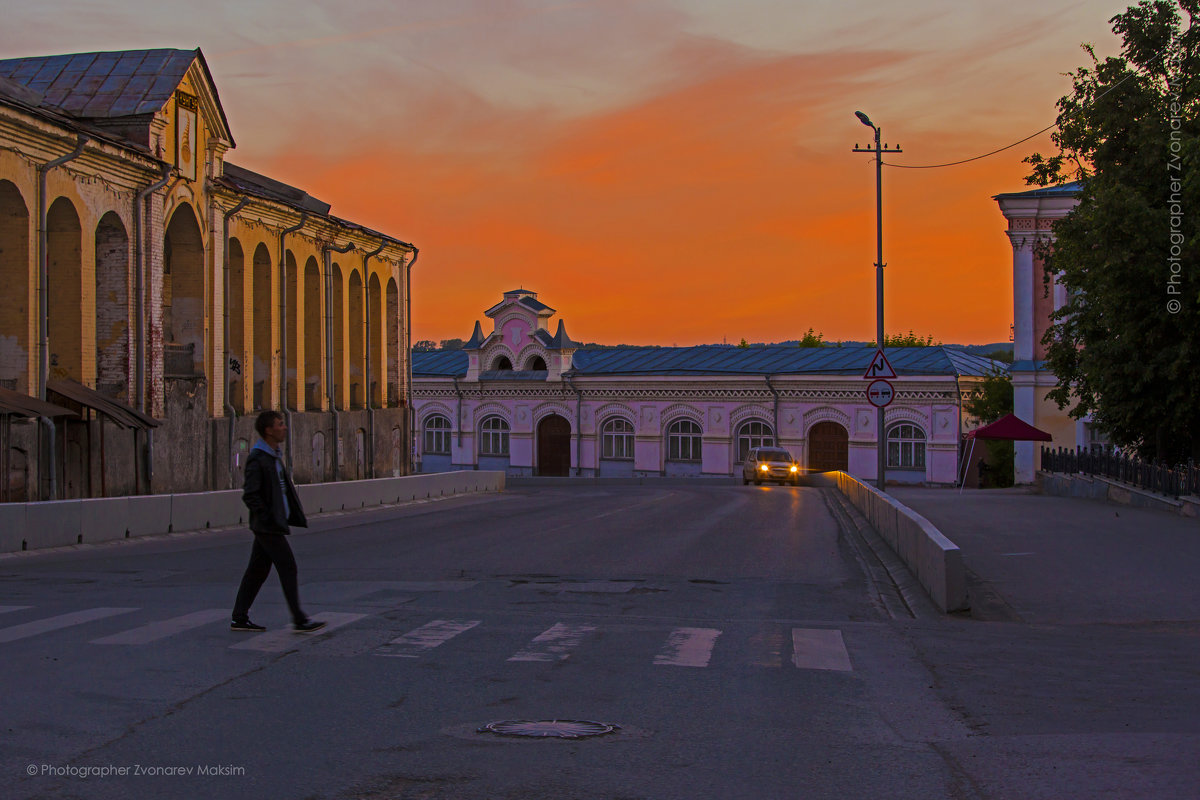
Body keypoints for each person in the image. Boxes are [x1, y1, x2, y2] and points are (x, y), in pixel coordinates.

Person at [231, 410, 326, 633]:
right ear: (268, 430)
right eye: (279, 424)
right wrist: (267, 518)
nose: (284, 427)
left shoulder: (273, 455)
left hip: (271, 524)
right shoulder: (258, 458)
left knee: (257, 571)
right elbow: (250, 494)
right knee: (288, 567)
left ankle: (239, 617)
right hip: (268, 526)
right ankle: (299, 619)